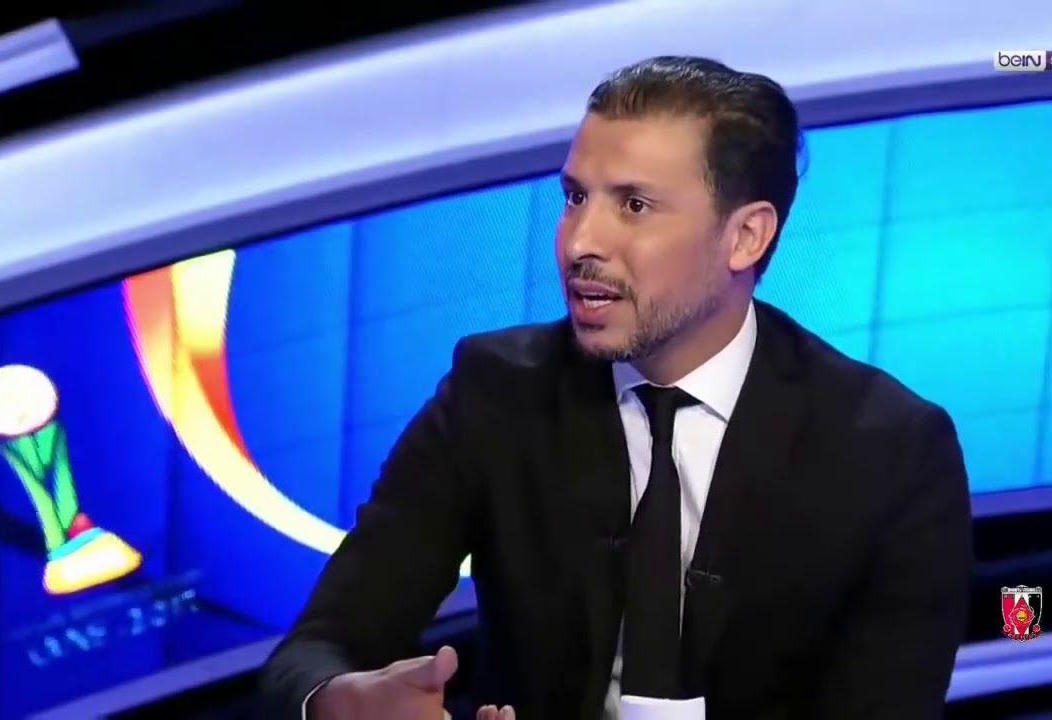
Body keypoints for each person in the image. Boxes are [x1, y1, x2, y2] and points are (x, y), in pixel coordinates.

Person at [261, 56, 973, 719]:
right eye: (575, 197)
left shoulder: (889, 452)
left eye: (633, 205)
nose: (580, 243)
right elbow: (315, 651)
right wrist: (337, 703)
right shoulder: (495, 394)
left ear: (746, 237)